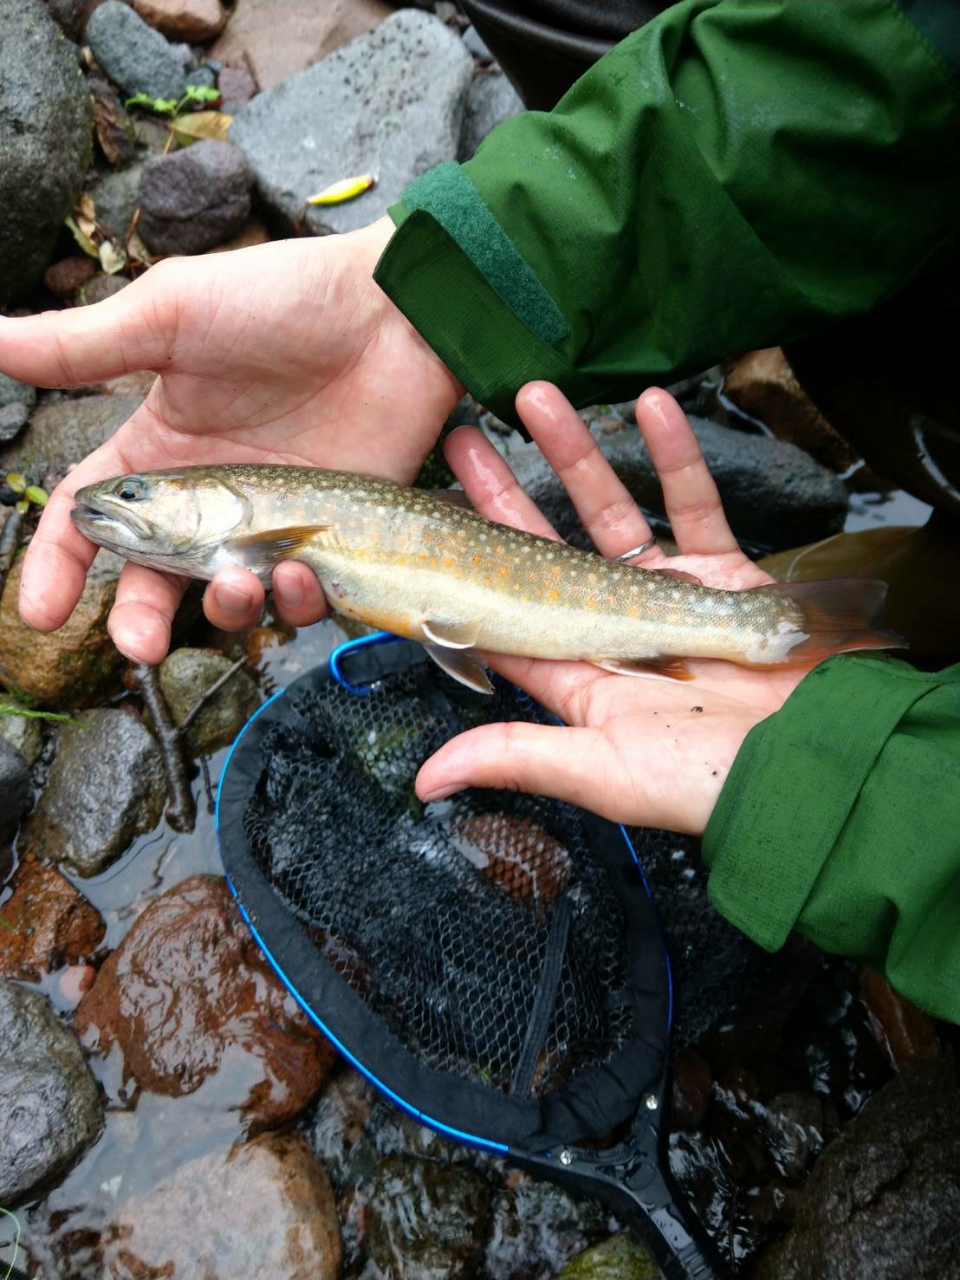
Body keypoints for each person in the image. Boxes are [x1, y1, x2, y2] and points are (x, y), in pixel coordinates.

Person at [0, 0, 956, 1020]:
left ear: (219, 504)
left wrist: (859, 791)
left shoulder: (260, 534)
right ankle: (881, 622)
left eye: (141, 499)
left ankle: (846, 633)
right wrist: (421, 298)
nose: (123, 508)